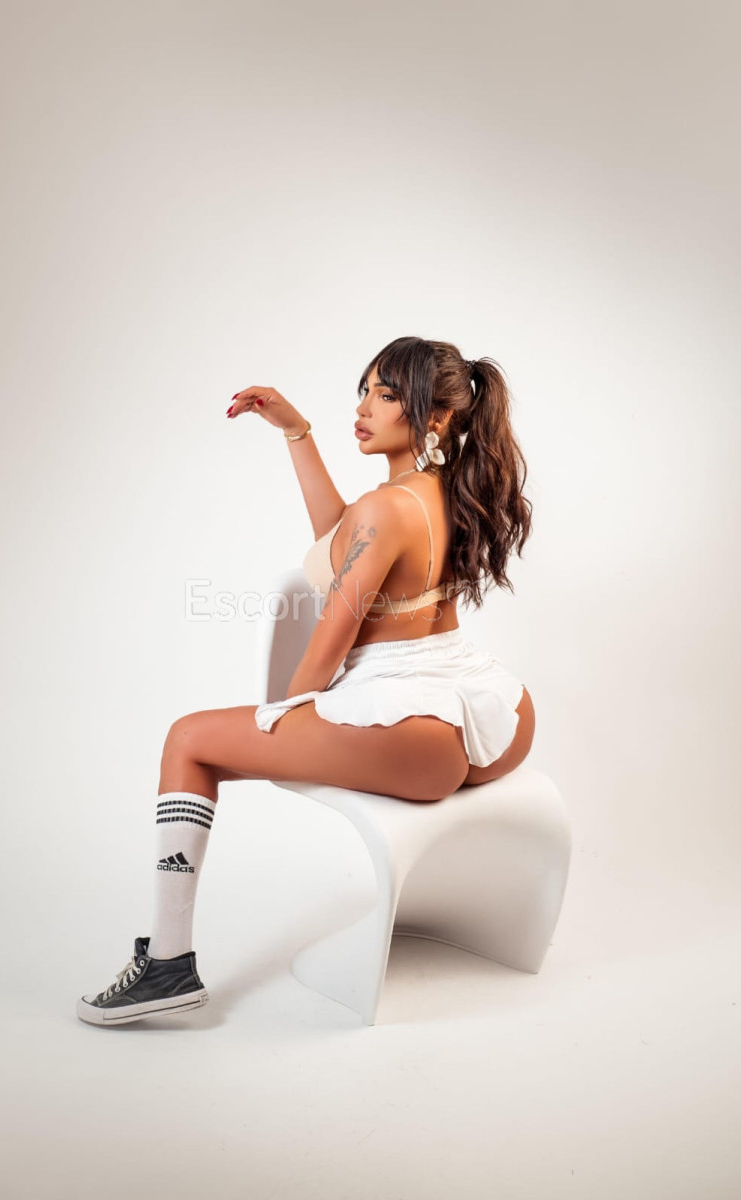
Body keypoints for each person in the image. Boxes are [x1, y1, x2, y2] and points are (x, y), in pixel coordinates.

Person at [76, 335, 536, 1027]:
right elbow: (341, 540)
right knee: (217, 733)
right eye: (365, 390)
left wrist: (283, 717)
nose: (364, 407)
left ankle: (167, 964)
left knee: (188, 739)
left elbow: (329, 642)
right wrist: (297, 433)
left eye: (386, 395)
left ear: (435, 418)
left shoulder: (386, 507)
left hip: (413, 733)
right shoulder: (441, 491)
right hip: (495, 716)